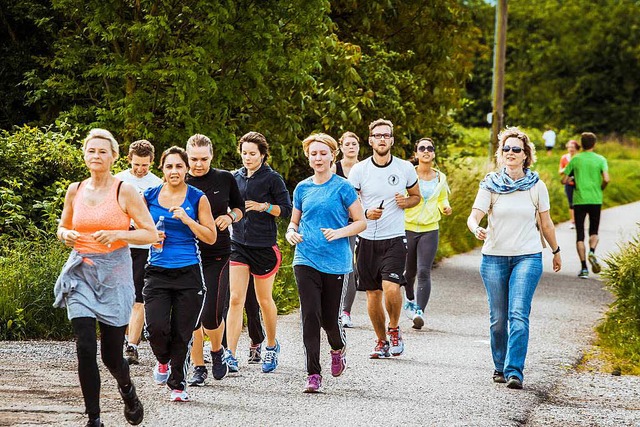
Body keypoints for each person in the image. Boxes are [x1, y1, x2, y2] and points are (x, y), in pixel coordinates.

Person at [54, 128, 157, 427]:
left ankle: (127, 389)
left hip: (115, 273)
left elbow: (149, 233)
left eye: (102, 151)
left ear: (113, 157)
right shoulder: (75, 189)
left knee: (111, 356)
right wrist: (67, 234)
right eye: (91, 151)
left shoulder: (124, 190)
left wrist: (117, 233)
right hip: (81, 271)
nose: (96, 156)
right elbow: (62, 226)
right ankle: (94, 419)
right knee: (84, 346)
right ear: (84, 155)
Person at [467, 126, 562, 390]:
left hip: (527, 256)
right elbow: (474, 215)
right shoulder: (490, 184)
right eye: (506, 149)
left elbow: (546, 223)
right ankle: (499, 365)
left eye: (516, 149)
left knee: (518, 314)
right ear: (501, 154)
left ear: (525, 155)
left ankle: (514, 371)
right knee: (498, 319)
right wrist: (476, 228)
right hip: (494, 258)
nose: (510, 153)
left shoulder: (536, 186)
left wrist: (555, 251)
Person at [286, 133, 366, 393]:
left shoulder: (343, 187)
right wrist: (290, 233)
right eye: (313, 154)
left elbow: (360, 221)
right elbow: (294, 221)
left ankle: (337, 347)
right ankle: (313, 374)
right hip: (305, 257)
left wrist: (339, 232)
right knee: (309, 315)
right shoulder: (302, 188)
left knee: (329, 320)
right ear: (307, 157)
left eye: (323, 153)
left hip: (335, 261)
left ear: (333, 155)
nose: (318, 158)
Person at [143, 146, 217, 402]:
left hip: (188, 272)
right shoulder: (149, 196)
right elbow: (136, 230)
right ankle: (162, 361)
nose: (174, 171)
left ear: (186, 169)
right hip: (157, 272)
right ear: (162, 169)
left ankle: (178, 385)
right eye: (169, 166)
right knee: (156, 328)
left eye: (179, 166)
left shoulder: (198, 197)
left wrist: (188, 220)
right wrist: (152, 236)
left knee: (183, 332)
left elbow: (210, 236)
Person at [348, 118, 421, 359]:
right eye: (377, 135)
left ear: (392, 139)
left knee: (391, 288)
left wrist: (406, 202)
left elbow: (416, 196)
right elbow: (350, 202)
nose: (382, 139)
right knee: (372, 294)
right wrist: (365, 213)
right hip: (366, 238)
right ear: (370, 141)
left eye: (386, 135)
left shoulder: (404, 168)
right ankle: (381, 341)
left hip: (394, 238)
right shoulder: (359, 170)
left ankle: (394, 329)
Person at [226, 131, 293, 373]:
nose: (247, 158)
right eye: (244, 153)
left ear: (263, 155)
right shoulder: (234, 178)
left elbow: (286, 210)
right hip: (238, 245)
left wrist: (264, 207)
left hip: (264, 246)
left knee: (264, 301)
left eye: (252, 154)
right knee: (235, 299)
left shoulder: (272, 179)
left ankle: (272, 346)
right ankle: (230, 354)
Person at [184, 134, 244, 385]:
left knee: (211, 314)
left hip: (217, 253)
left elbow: (240, 209)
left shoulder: (224, 178)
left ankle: (217, 351)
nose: (199, 164)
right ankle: (198, 366)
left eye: (204, 159)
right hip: (187, 254)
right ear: (187, 157)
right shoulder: (180, 180)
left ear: (212, 156)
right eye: (194, 159)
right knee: (193, 315)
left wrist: (229, 218)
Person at [115, 140, 163, 365]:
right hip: (121, 245)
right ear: (128, 160)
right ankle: (121, 339)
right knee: (119, 297)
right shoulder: (119, 180)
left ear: (152, 162)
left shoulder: (157, 184)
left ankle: (131, 346)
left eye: (145, 165)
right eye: (136, 164)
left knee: (138, 297)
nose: (140, 169)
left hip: (145, 247)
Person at [403, 137, 452, 330]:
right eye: (422, 148)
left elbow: (442, 198)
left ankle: (419, 312)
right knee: (409, 272)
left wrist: (445, 207)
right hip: (407, 227)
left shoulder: (440, 177)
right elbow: (401, 196)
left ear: (433, 153)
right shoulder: (409, 174)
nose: (426, 151)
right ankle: (409, 298)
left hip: (430, 228)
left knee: (424, 270)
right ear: (416, 153)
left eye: (430, 148)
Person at [561, 132, 610, 279]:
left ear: (581, 144)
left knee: (580, 235)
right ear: (594, 144)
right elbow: (607, 179)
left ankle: (583, 268)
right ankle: (592, 252)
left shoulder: (576, 159)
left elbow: (564, 180)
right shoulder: (601, 159)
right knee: (594, 231)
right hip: (596, 199)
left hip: (579, 200)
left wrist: (573, 179)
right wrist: (601, 188)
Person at [333, 131, 360, 328]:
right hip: (338, 222)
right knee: (337, 262)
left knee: (351, 265)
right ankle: (331, 307)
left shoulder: (366, 168)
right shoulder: (335, 168)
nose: (351, 147)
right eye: (347, 144)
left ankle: (345, 311)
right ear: (341, 148)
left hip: (360, 222)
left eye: (354, 144)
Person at [558, 139, 580, 229]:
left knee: (579, 203)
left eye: (573, 147)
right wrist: (567, 168)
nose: (571, 149)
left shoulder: (579, 157)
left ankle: (579, 220)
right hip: (568, 182)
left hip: (579, 183)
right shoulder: (564, 158)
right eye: (569, 147)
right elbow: (560, 171)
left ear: (576, 148)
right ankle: (572, 221)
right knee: (571, 203)